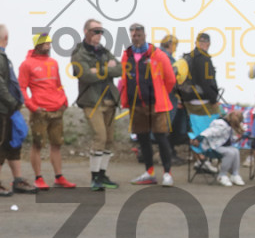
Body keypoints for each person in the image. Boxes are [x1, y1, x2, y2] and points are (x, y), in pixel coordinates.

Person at [120, 23, 177, 186]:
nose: (136, 38)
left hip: (156, 105)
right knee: (143, 139)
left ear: (145, 35)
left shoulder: (157, 55)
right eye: (133, 35)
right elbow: (124, 78)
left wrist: (161, 93)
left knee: (161, 137)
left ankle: (167, 173)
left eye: (139, 35)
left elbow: (170, 79)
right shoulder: (127, 55)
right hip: (137, 105)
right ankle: (149, 172)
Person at [18, 33, 76, 189]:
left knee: (56, 144)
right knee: (38, 144)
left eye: (50, 43)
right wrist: (32, 107)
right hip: (40, 111)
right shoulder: (26, 64)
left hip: (57, 109)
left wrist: (64, 100)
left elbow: (58, 84)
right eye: (45, 43)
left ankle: (59, 177)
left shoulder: (53, 62)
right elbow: (21, 88)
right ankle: (38, 178)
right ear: (37, 45)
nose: (49, 46)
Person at [70, 18, 121, 189]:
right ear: (86, 32)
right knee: (100, 136)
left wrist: (99, 69)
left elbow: (120, 69)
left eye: (101, 32)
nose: (99, 34)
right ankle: (95, 177)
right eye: (96, 31)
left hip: (110, 100)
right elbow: (86, 75)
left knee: (109, 140)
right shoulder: (79, 53)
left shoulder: (104, 51)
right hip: (92, 101)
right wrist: (107, 68)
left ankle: (102, 174)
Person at [0, 25, 33, 197]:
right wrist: (12, 102)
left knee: (13, 144)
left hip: (9, 110)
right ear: (6, 38)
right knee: (1, 145)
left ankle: (18, 180)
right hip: (3, 109)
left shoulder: (4, 57)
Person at [194, 110, 247, 186]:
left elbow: (227, 139)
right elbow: (209, 131)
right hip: (211, 147)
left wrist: (237, 139)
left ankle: (235, 174)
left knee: (236, 151)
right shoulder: (221, 125)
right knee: (230, 153)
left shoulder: (229, 125)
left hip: (220, 146)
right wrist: (199, 138)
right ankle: (222, 175)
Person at [177, 32, 221, 119]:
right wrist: (213, 100)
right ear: (208, 44)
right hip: (203, 101)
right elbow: (208, 82)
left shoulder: (186, 57)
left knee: (192, 126)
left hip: (187, 101)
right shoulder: (205, 59)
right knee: (217, 121)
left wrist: (180, 99)